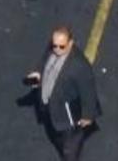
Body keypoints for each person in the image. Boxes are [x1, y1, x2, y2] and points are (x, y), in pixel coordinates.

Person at [25, 25, 101, 161]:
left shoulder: (79, 66)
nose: (57, 50)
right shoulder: (53, 50)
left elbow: (88, 92)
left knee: (69, 150)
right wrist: (38, 72)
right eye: (54, 46)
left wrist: (88, 116)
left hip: (69, 119)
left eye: (62, 46)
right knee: (57, 138)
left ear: (70, 43)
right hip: (52, 108)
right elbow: (44, 60)